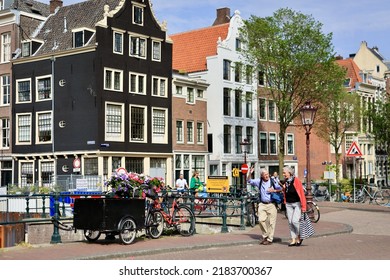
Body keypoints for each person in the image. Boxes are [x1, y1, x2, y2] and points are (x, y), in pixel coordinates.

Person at [247, 166, 283, 245]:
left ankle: (269, 239)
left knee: (271, 223)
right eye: (265, 174)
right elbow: (249, 181)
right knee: (260, 220)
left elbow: (281, 189)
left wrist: (274, 190)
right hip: (262, 204)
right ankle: (266, 235)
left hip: (272, 204)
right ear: (262, 176)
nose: (267, 175)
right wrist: (250, 173)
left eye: (267, 174)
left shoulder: (273, 181)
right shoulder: (259, 181)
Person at [282, 166, 307, 247]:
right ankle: (293, 239)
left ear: (289, 173)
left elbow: (301, 194)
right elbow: (286, 192)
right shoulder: (286, 181)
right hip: (288, 204)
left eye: (284, 173)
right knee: (290, 222)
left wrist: (303, 207)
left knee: (295, 221)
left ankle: (300, 235)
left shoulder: (296, 181)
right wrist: (283, 189)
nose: (283, 174)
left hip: (296, 204)